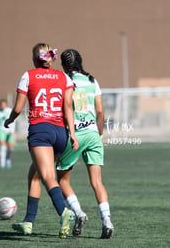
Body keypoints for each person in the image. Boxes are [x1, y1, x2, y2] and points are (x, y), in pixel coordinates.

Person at [4, 43, 79, 238]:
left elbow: (19, 108)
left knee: (47, 177)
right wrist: (72, 133)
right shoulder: (64, 77)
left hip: (41, 130)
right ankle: (28, 222)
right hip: (60, 133)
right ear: (51, 58)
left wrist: (9, 120)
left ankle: (64, 211)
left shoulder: (28, 75)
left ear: (34, 58)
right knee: (35, 175)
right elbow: (68, 107)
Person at [56, 49, 114, 239]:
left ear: (63, 65)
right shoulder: (92, 81)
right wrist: (99, 134)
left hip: (75, 134)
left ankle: (79, 212)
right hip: (93, 134)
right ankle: (107, 221)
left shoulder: (64, 80)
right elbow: (100, 111)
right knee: (97, 182)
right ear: (81, 62)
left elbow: (64, 109)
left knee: (62, 180)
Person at [0, 99, 15, 168]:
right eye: (1, 105)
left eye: (4, 104)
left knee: (10, 147)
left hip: (9, 130)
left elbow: (13, 120)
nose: (3, 106)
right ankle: (2, 163)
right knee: (2, 146)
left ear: (6, 105)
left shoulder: (9, 111)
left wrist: (12, 130)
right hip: (0, 130)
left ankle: (8, 160)